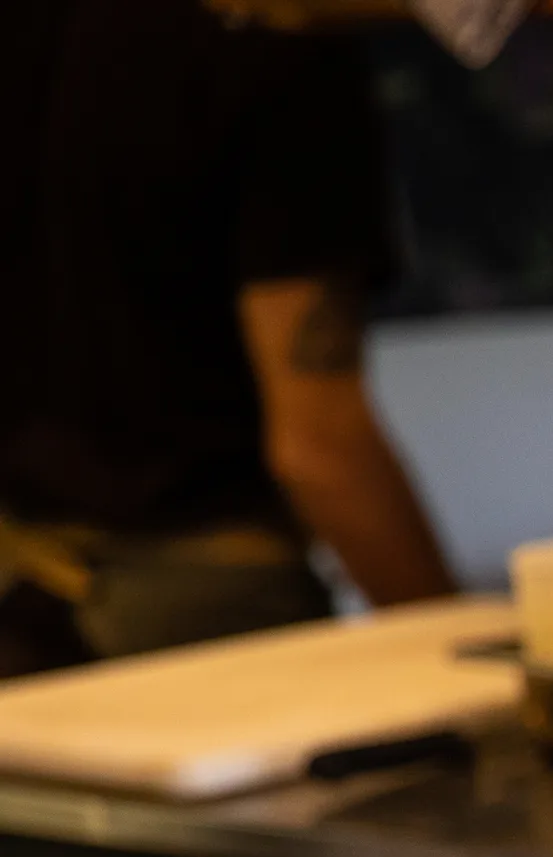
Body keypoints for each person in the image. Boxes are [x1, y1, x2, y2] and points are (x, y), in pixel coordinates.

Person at [0, 0, 453, 680]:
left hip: (23, 605)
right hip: (207, 620)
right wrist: (455, 654)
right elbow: (319, 448)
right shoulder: (273, 31)